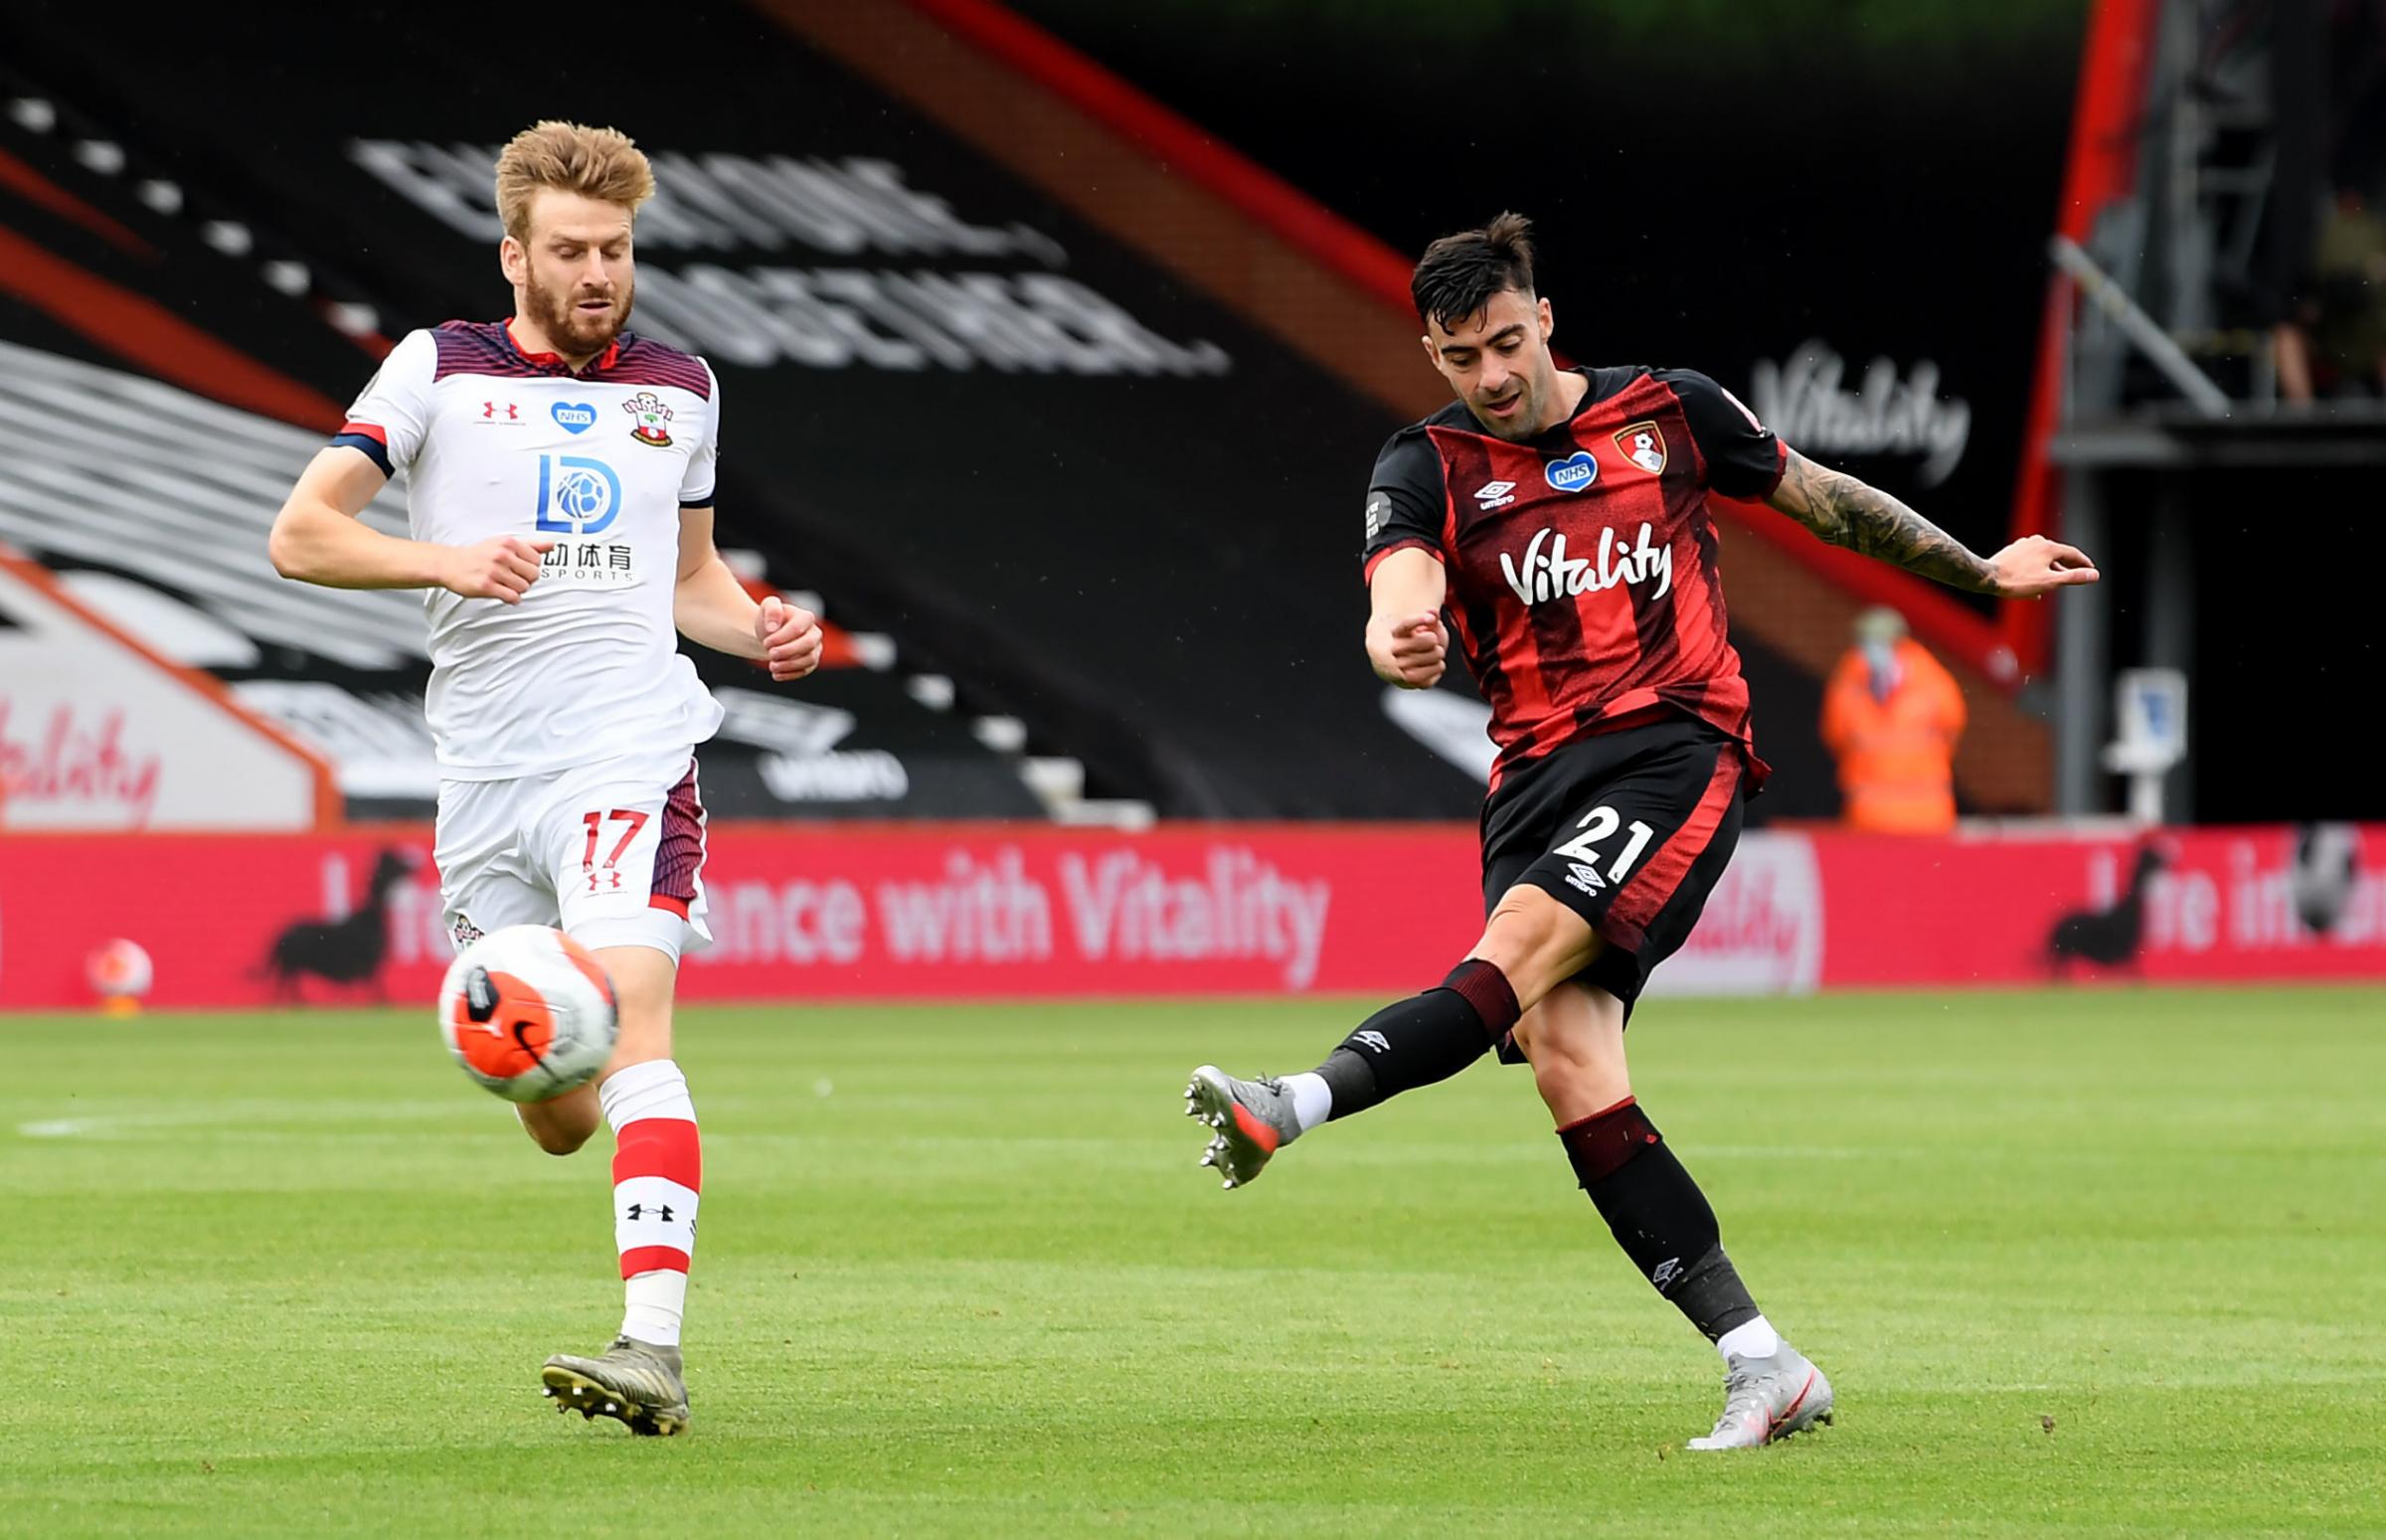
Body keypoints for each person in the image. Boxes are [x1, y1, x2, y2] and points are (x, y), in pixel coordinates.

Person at [1183, 213, 2097, 1449]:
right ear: (1434, 355)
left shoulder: (1671, 411)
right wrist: (1393, 639)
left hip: (1676, 750)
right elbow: (1397, 579)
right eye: (1463, 358)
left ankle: (1289, 1102)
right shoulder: (1425, 462)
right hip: (1532, 785)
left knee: (1513, 955)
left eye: (1508, 342)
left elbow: (1826, 502)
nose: (1494, 375)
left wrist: (1979, 573)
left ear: (1545, 317)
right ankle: (1763, 1360)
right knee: (1566, 1056)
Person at [266, 121, 822, 1437]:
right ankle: (589, 1167)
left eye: (615, 251)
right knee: (559, 1113)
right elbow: (303, 534)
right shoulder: (436, 370)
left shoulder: (680, 387)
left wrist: (769, 631)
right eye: (569, 250)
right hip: (483, 784)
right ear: (513, 254)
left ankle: (652, 1346)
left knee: (636, 1032)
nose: (597, 273)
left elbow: (693, 587)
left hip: (626, 753)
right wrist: (442, 562)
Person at [1819, 606, 1966, 833]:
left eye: (1879, 643)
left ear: (1900, 644)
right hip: (1867, 820)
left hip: (1927, 820)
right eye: (1866, 643)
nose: (1870, 652)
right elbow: (1836, 737)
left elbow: (1951, 733)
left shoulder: (1934, 686)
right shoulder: (1848, 686)